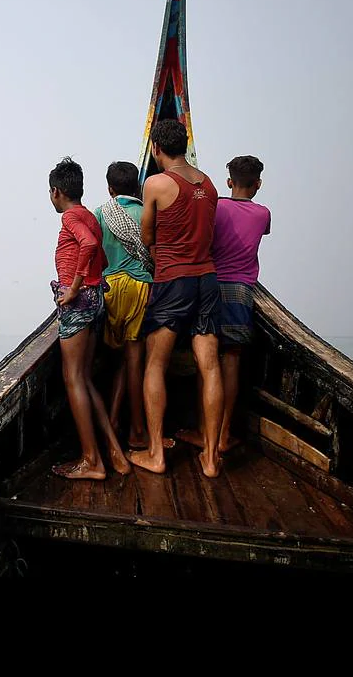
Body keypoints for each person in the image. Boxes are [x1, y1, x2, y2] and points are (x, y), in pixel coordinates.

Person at [127, 118, 224, 479]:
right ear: (185, 144)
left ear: (156, 149)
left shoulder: (155, 183)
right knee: (210, 366)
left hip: (173, 282)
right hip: (207, 279)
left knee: (155, 364)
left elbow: (147, 235)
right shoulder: (210, 184)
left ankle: (155, 453)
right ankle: (211, 460)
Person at [175, 155, 270, 456]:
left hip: (210, 284)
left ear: (229, 182)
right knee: (230, 361)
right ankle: (223, 435)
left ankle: (205, 431)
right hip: (241, 291)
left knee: (207, 363)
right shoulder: (263, 214)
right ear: (258, 184)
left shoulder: (217, 208)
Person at [48, 156, 131, 480]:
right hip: (95, 301)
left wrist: (73, 289)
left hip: (79, 301)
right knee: (84, 378)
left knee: (73, 379)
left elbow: (90, 244)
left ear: (56, 191)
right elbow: (104, 255)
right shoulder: (90, 215)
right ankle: (114, 453)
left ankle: (91, 461)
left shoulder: (71, 217)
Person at [93, 160, 157, 452]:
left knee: (116, 359)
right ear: (137, 188)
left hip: (109, 287)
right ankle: (136, 430)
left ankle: (113, 421)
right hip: (139, 286)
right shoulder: (146, 211)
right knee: (135, 360)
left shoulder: (99, 214)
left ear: (109, 188)